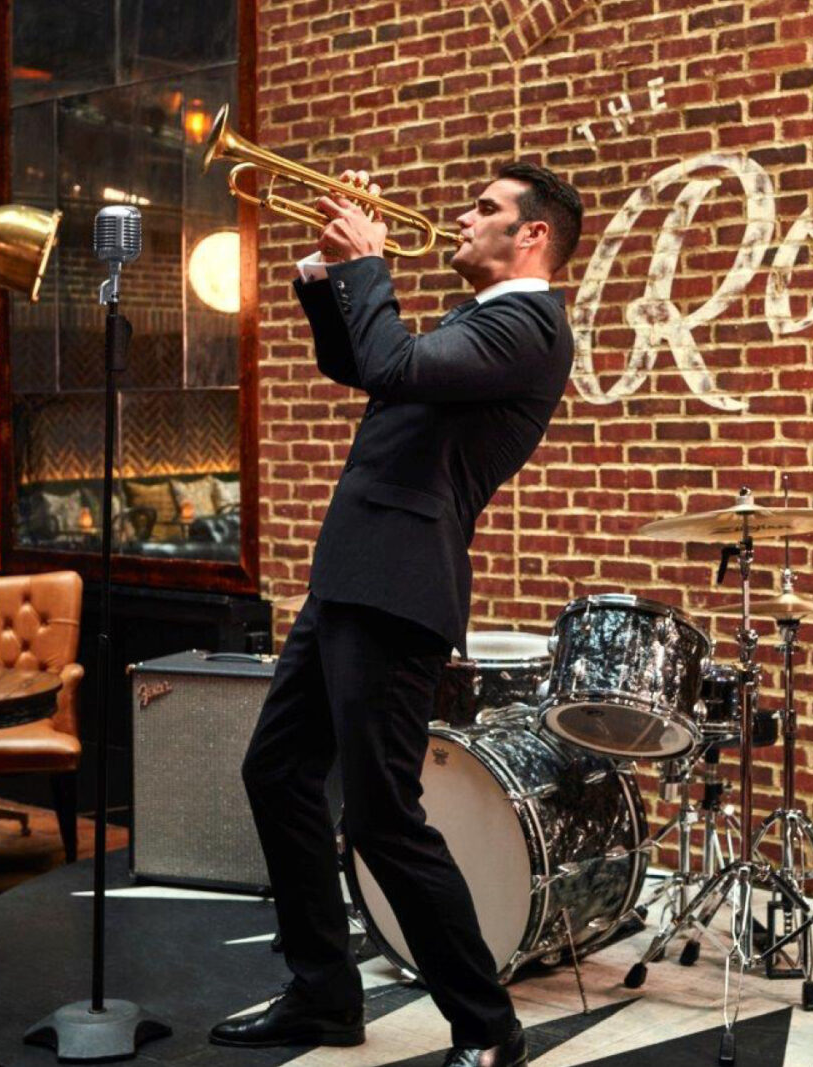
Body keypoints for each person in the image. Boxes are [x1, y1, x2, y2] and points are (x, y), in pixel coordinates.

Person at [210, 162, 583, 1067]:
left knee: (383, 817)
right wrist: (324, 272)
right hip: (353, 574)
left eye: (485, 208)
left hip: (399, 587)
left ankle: (489, 1028)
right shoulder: (478, 321)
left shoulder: (530, 327)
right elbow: (359, 365)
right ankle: (324, 992)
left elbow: (391, 360)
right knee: (277, 772)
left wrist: (368, 264)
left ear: (532, 235)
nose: (461, 217)